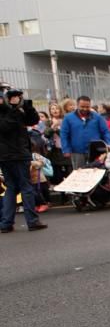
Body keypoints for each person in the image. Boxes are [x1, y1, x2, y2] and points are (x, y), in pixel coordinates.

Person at [0, 85, 45, 232]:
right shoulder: (8, 112)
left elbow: (33, 120)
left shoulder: (17, 110)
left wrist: (25, 103)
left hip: (17, 153)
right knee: (24, 187)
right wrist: (13, 109)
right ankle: (31, 221)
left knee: (12, 188)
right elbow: (4, 127)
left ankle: (7, 223)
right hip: (12, 155)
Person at [60, 95, 110, 171]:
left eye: (87, 107)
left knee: (95, 174)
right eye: (82, 106)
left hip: (95, 151)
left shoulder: (97, 117)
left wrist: (109, 143)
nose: (85, 109)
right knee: (79, 173)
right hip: (77, 152)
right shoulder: (68, 118)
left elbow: (105, 131)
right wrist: (66, 149)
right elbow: (64, 135)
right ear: (77, 105)